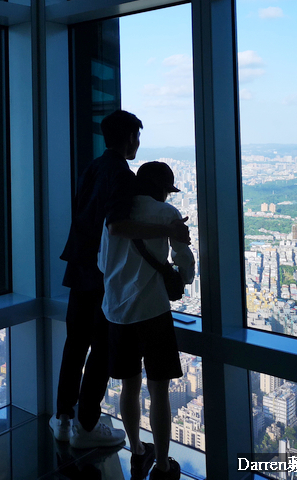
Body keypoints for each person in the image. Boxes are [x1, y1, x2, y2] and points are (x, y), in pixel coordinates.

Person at [49, 110, 190, 450]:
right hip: (101, 274)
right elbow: (117, 226)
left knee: (74, 344)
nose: (138, 143)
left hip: (78, 267)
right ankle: (86, 424)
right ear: (130, 138)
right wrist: (168, 230)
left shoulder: (93, 167)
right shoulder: (122, 175)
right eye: (137, 137)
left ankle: (64, 419)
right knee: (100, 349)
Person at [98, 161, 195, 479]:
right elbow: (184, 261)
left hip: (117, 312)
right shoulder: (166, 214)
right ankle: (164, 465)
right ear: (163, 189)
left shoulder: (115, 216)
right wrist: (181, 275)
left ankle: (137, 451)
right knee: (159, 392)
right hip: (153, 312)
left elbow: (102, 263)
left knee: (129, 387)